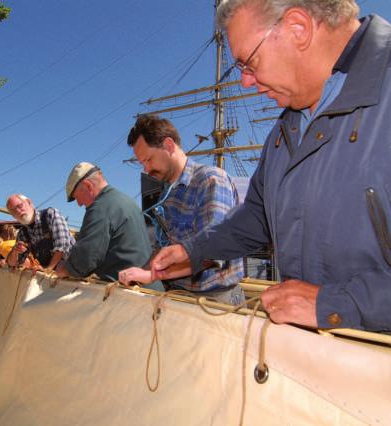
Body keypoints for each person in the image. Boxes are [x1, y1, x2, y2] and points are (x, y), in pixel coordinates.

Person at [151, 0, 391, 331]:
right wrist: (194, 251)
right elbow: (256, 217)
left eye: (249, 63)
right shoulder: (284, 131)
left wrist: (336, 305)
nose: (246, 82)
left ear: (298, 28)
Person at [119, 115, 244, 305]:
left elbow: (212, 250)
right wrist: (139, 271)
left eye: (149, 159)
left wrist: (151, 274)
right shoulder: (167, 195)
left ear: (169, 146)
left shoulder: (211, 180)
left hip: (216, 301)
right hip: (179, 296)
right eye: (142, 163)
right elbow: (164, 250)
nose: (146, 169)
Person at [55, 162, 151, 282]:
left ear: (88, 186)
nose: (79, 204)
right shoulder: (126, 201)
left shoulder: (100, 207)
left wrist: (64, 268)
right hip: (148, 290)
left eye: (77, 197)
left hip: (129, 294)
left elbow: (84, 262)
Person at [5, 194, 75, 270]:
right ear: (13, 216)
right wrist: (15, 251)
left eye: (20, 206)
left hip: (72, 269)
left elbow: (62, 246)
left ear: (29, 202)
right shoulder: (23, 233)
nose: (18, 211)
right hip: (51, 275)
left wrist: (48, 269)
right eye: (13, 211)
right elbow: (12, 263)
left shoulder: (50, 214)